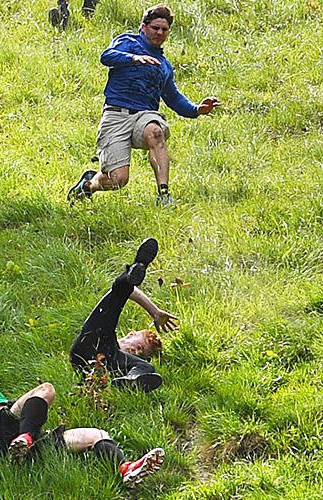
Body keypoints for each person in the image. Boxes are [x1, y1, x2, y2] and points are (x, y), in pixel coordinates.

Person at [68, 4, 220, 206]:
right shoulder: (128, 42)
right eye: (155, 27)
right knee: (118, 180)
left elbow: (172, 97)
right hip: (116, 114)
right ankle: (87, 185)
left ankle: (163, 195)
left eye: (164, 29)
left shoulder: (163, 65)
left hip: (144, 115)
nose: (159, 32)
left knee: (155, 132)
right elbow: (106, 56)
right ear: (143, 27)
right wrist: (133, 59)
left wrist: (197, 109)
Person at [0, 352, 165, 486]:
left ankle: (125, 468)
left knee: (95, 435)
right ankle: (24, 438)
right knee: (46, 389)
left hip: (18, 445)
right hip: (0, 430)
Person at [69, 237, 177, 392]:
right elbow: (128, 294)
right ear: (131, 335)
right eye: (139, 345)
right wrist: (154, 312)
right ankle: (134, 271)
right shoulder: (106, 335)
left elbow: (139, 363)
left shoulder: (120, 361)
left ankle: (130, 381)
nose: (137, 351)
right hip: (88, 345)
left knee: (147, 367)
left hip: (108, 360)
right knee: (118, 296)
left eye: (141, 352)